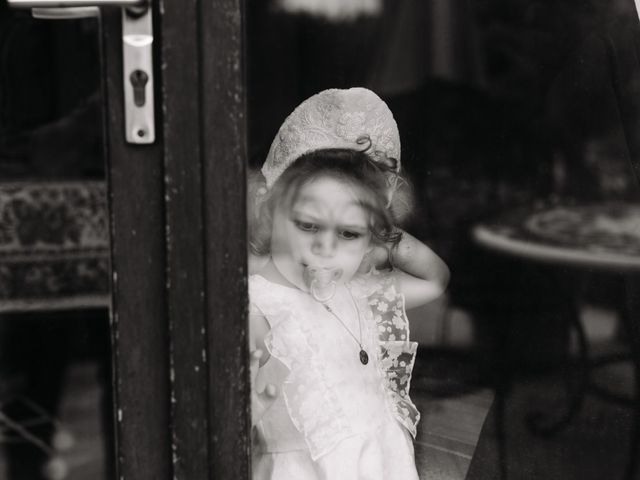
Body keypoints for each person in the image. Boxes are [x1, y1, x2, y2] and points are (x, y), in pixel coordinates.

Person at [247, 87, 449, 479]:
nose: (325, 247)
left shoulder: (361, 289)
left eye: (348, 234)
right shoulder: (264, 304)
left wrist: (383, 243)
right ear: (274, 214)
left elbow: (436, 278)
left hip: (381, 461)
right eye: (308, 225)